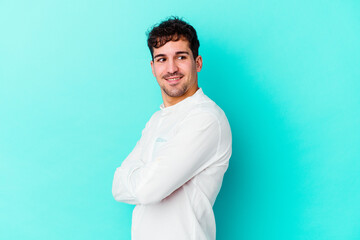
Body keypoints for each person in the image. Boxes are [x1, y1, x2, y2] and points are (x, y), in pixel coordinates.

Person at [112, 17, 232, 240]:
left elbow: (148, 190)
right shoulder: (157, 119)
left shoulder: (205, 118)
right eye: (161, 59)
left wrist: (138, 176)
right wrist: (141, 179)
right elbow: (117, 185)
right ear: (153, 67)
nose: (171, 68)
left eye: (181, 57)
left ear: (197, 62)